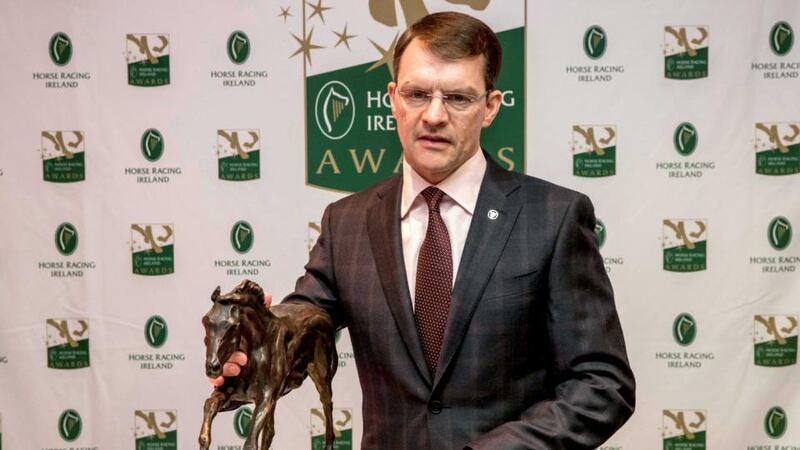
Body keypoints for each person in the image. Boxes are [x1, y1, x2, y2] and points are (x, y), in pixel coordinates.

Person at [213, 11, 635, 450]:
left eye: (457, 98)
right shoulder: (347, 222)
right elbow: (302, 328)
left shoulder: (553, 216)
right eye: (417, 94)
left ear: (490, 107)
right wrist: (255, 341)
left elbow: (603, 384)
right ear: (394, 98)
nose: (434, 116)